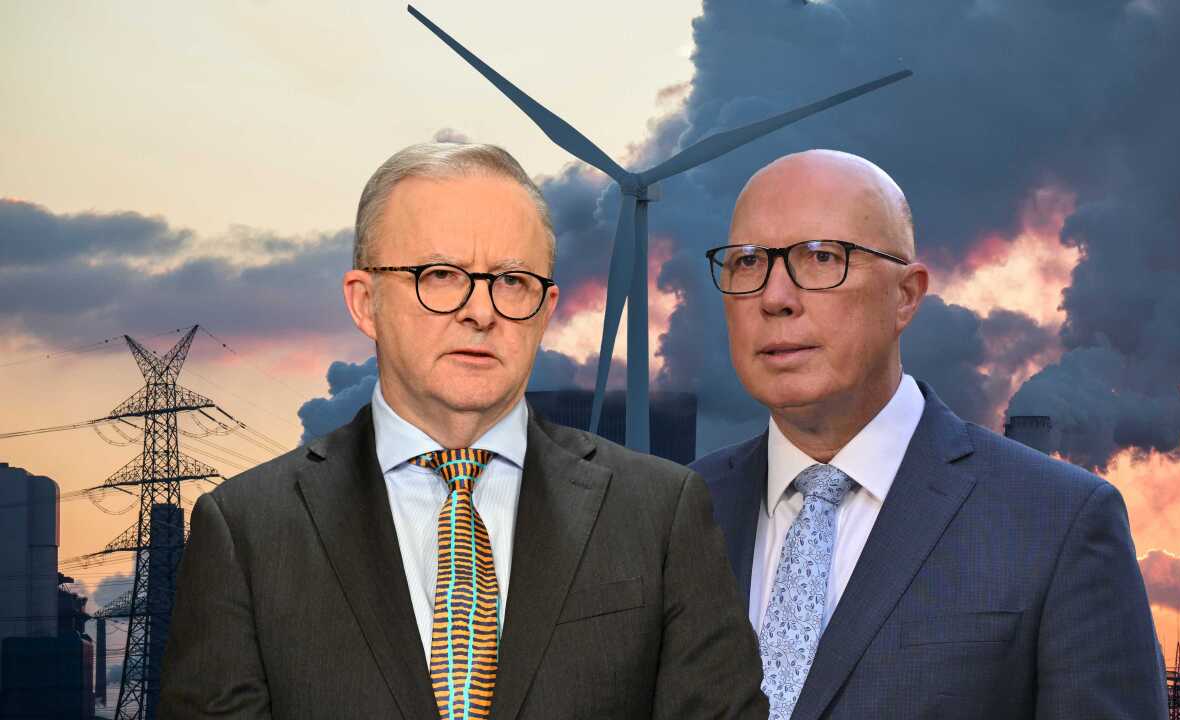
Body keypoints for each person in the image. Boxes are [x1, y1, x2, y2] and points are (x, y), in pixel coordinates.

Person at [159, 142, 767, 719]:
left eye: (512, 281)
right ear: (364, 301)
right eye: (441, 275)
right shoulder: (246, 530)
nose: (481, 311)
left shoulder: (661, 513)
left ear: (546, 310)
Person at [691, 149, 1167, 719]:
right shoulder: (677, 512)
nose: (775, 297)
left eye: (821, 257)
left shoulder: (1058, 522)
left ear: (907, 295)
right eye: (747, 263)